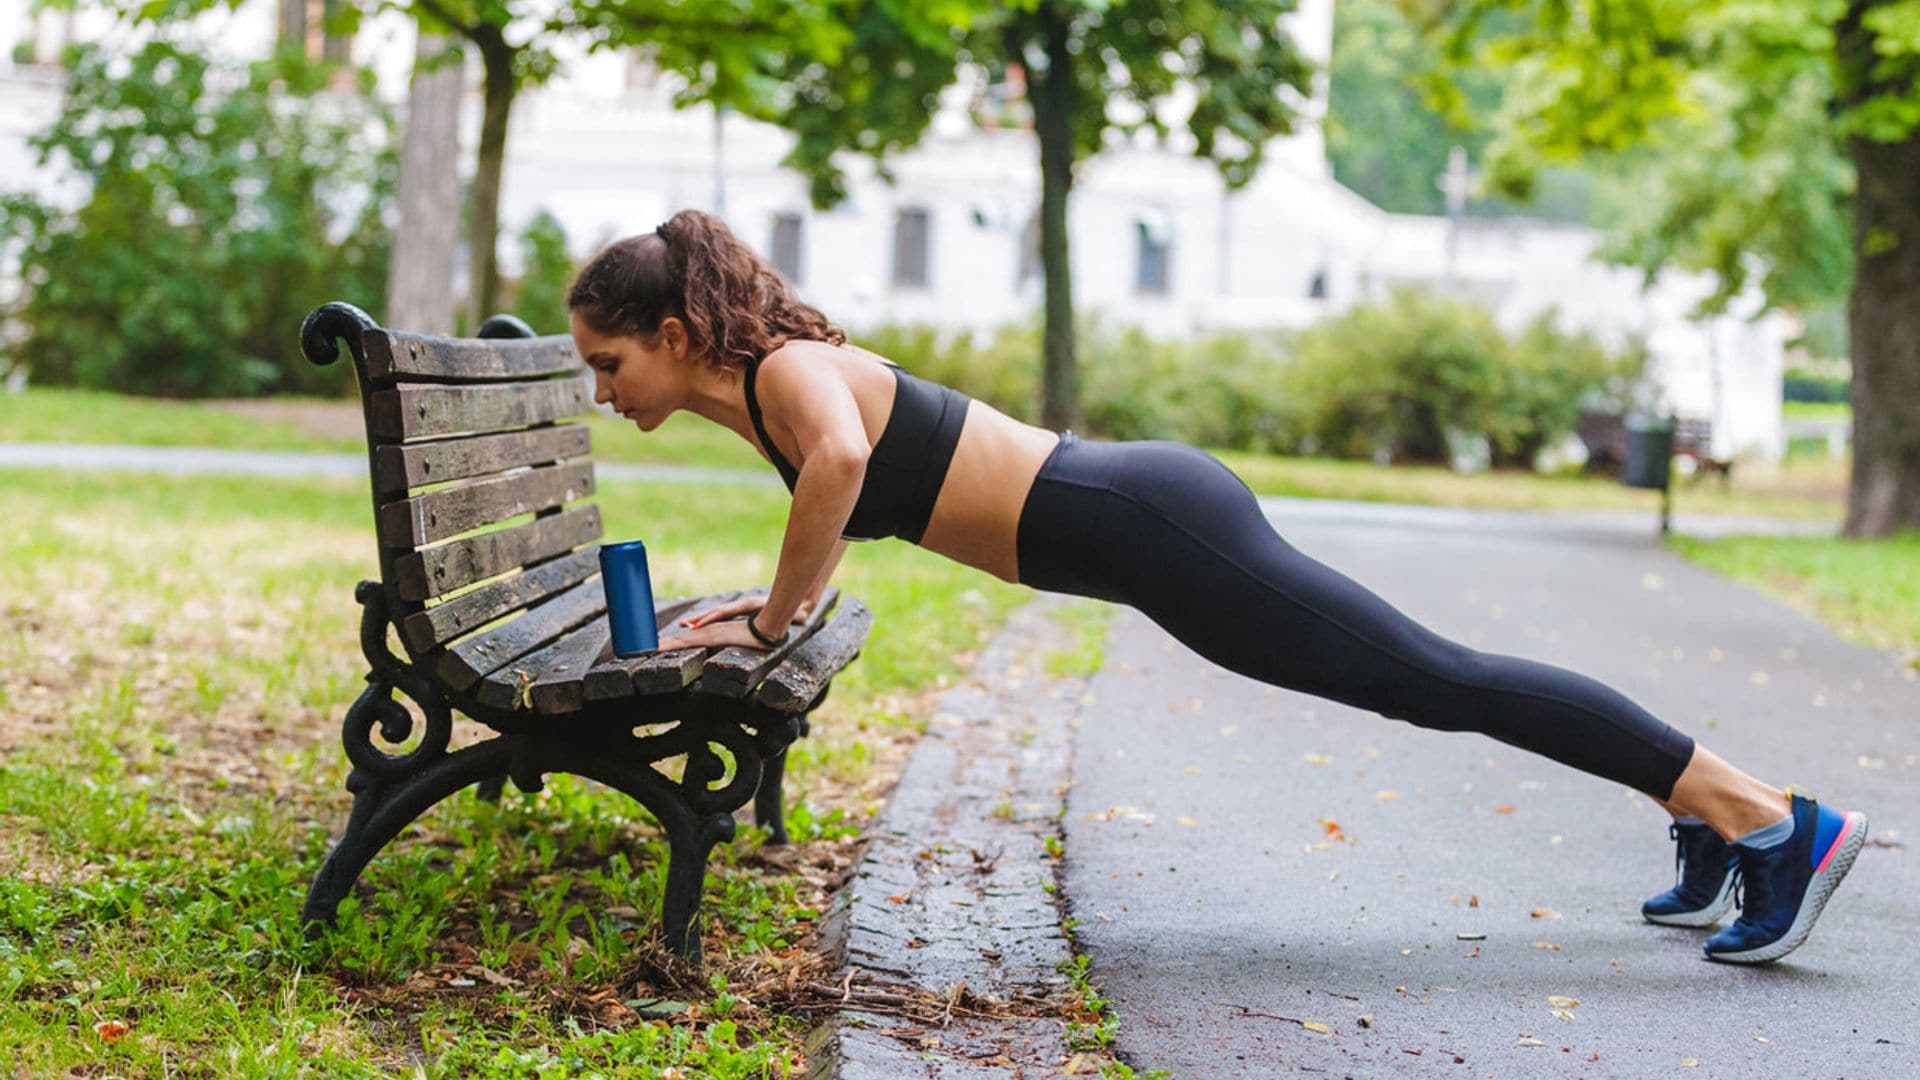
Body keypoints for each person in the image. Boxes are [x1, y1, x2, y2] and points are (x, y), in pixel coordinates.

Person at [565, 209, 1866, 966]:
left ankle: (1767, 820)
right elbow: (839, 488)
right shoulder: (762, 392)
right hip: (1143, 525)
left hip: (1152, 526)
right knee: (1431, 679)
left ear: (675, 337)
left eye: (608, 362)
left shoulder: (788, 372)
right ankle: (1697, 808)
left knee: (1433, 682)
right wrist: (765, 597)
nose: (603, 391)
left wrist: (778, 613)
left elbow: (844, 462)